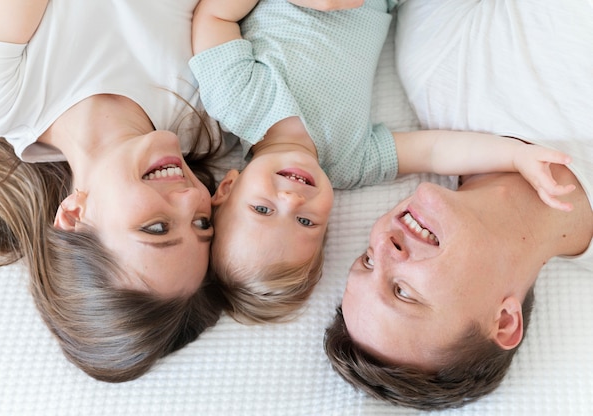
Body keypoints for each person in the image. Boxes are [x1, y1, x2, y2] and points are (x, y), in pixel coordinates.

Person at [189, 0, 573, 324]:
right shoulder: (350, 163)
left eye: (262, 208)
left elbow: (214, 17)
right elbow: (433, 151)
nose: (291, 201)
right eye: (306, 221)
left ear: (227, 187)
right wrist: (514, 154)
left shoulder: (235, 102)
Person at [324, 0, 593, 410]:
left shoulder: (437, 71)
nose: (383, 245)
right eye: (403, 292)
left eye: (366, 260)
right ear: (503, 321)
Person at [0, 0, 227, 382]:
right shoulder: (206, 111)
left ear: (73, 216)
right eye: (202, 222)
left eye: (156, 228)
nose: (191, 197)